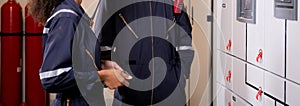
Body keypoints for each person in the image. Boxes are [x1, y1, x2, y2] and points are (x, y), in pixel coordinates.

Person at [29, 0, 130, 105]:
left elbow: (79, 61)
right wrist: (102, 76)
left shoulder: (76, 16)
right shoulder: (66, 18)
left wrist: (102, 65)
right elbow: (51, 78)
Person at [94, 0, 194, 105]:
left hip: (171, 93)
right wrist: (111, 75)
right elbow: (101, 45)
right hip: (129, 92)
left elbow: (185, 42)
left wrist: (180, 77)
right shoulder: (111, 2)